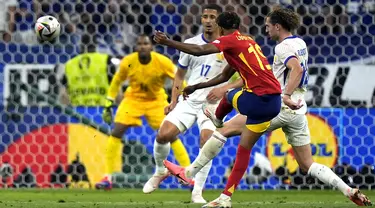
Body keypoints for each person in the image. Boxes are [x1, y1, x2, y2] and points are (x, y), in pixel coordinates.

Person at [164, 7, 373, 207]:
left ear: (278, 27)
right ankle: (348, 190)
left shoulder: (282, 47)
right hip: (299, 109)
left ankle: (192, 175)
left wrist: (286, 94)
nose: (266, 29)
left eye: (268, 25)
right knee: (307, 164)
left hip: (278, 104)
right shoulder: (300, 43)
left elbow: (296, 69)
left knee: (223, 131)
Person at [154, 11, 283, 207]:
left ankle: (217, 119)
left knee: (229, 96)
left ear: (220, 28)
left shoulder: (230, 41)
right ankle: (224, 198)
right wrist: (196, 86)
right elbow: (223, 77)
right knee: (243, 151)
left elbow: (199, 50)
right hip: (273, 102)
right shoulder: (246, 40)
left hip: (259, 100)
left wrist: (168, 43)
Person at [143, 4, 232, 203]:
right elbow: (180, 74)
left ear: (219, 21)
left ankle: (197, 192)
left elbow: (236, 75)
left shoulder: (228, 45)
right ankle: (160, 170)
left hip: (213, 104)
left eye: (212, 17)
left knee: (207, 141)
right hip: (189, 99)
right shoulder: (190, 43)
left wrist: (224, 90)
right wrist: (173, 100)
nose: (208, 20)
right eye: (205, 16)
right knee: (163, 134)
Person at [95, 34, 191, 190]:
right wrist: (108, 103)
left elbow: (179, 78)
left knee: (170, 134)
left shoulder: (162, 61)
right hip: (133, 99)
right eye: (139, 44)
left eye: (145, 43)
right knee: (117, 131)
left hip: (156, 100)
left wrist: (183, 98)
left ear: (151, 46)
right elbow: (116, 81)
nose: (142, 46)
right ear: (136, 47)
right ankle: (108, 177)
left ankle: (188, 174)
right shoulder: (128, 61)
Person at [59, 34, 117, 106]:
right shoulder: (106, 60)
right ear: (96, 45)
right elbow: (117, 90)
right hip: (102, 111)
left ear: (81, 45)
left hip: (78, 113)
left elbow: (63, 95)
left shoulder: (70, 64)